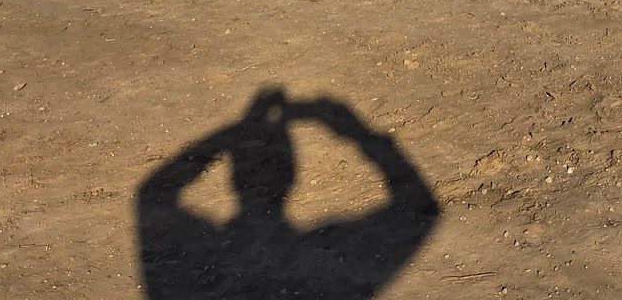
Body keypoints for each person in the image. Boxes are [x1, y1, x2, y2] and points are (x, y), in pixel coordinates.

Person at [137, 87, 437, 299]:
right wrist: (359, 134)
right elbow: (422, 208)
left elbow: (151, 194)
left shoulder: (197, 260)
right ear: (292, 180)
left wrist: (233, 133)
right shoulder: (326, 263)